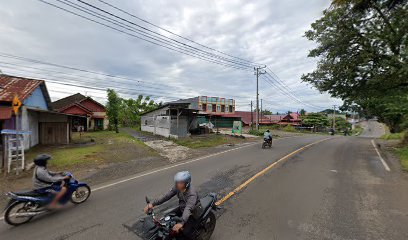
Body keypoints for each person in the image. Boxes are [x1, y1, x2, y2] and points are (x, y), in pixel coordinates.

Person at [144, 171, 198, 239]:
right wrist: (153, 204)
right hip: (182, 208)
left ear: (187, 183)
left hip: (192, 213)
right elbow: (166, 196)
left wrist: (182, 223)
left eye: (180, 183)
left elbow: (189, 208)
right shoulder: (178, 188)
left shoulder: (192, 193)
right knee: (165, 220)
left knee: (186, 233)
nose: (178, 184)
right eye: (177, 182)